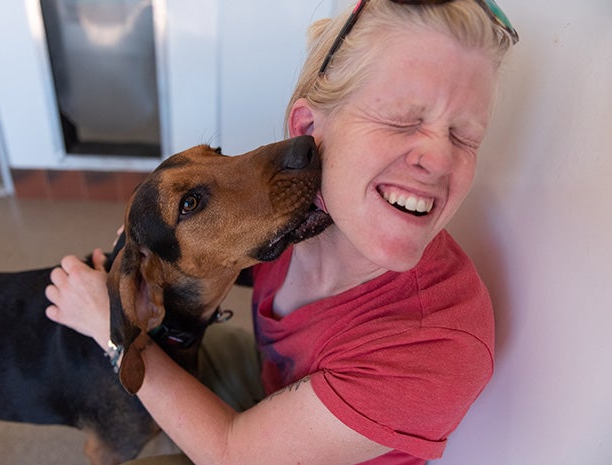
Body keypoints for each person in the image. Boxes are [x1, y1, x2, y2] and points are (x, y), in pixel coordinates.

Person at [44, 1, 518, 464]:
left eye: (464, 136)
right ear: (309, 128)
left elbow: (234, 453)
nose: (438, 160)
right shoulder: (289, 208)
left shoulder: (438, 349)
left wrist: (112, 337)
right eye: (401, 118)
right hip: (269, 389)